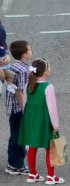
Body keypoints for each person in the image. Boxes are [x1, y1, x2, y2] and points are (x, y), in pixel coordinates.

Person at [18, 59, 63, 185]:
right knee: (50, 147)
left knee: (32, 146)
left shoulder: (28, 84)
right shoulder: (48, 87)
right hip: (44, 121)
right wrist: (56, 126)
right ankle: (51, 176)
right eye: (49, 67)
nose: (50, 69)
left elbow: (25, 103)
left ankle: (32, 174)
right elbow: (52, 108)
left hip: (31, 120)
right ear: (44, 72)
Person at [5, 40, 31, 175]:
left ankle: (13, 163)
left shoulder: (13, 66)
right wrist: (24, 109)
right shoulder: (23, 70)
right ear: (24, 54)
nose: (31, 52)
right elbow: (20, 91)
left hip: (12, 108)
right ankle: (16, 164)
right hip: (19, 108)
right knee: (20, 136)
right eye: (29, 50)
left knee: (15, 135)